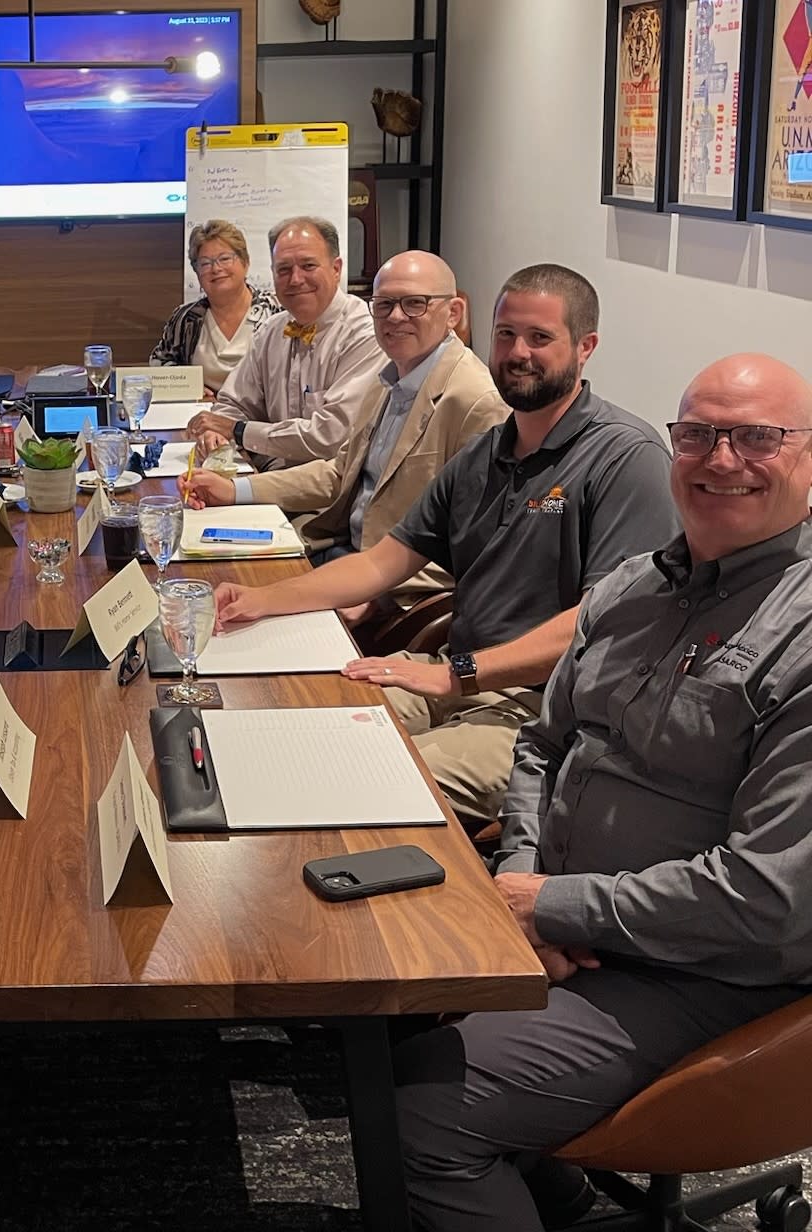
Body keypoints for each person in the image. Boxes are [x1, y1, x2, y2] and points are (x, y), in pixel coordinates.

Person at [394, 353, 812, 1231]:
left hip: (712, 977)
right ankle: (568, 1208)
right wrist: (523, 892)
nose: (720, 459)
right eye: (696, 434)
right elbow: (542, 748)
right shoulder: (631, 588)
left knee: (418, 1116)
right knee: (383, 1001)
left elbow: (766, 899)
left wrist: (555, 906)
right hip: (576, 924)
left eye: (757, 438)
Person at [214, 264, 678, 830]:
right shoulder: (487, 451)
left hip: (540, 712)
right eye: (505, 334)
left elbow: (597, 625)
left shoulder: (626, 457)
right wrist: (261, 600)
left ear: (586, 347)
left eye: (539, 338)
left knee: (359, 774)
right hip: (450, 674)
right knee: (292, 718)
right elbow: (383, 561)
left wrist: (458, 673)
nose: (517, 352)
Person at [183, 251, 507, 620]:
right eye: (384, 305)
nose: (396, 317)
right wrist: (236, 491)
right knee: (207, 585)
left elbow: (476, 549)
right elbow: (339, 473)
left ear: (453, 312)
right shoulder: (388, 376)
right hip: (339, 550)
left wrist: (377, 595)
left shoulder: (477, 402)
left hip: (392, 589)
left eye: (415, 303)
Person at [184, 215, 383, 471]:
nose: (296, 279)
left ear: (336, 269)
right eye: (284, 269)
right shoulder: (271, 330)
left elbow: (330, 437)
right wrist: (216, 433)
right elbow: (234, 402)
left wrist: (237, 431)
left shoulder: (365, 334)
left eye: (308, 266)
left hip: (332, 496)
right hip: (274, 478)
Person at [150, 219, 284, 394]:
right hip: (203, 415)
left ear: (245, 263)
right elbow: (158, 365)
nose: (216, 268)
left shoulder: (276, 311)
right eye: (205, 263)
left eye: (225, 259)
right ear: (197, 272)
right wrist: (189, 388)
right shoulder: (185, 319)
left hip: (262, 418)